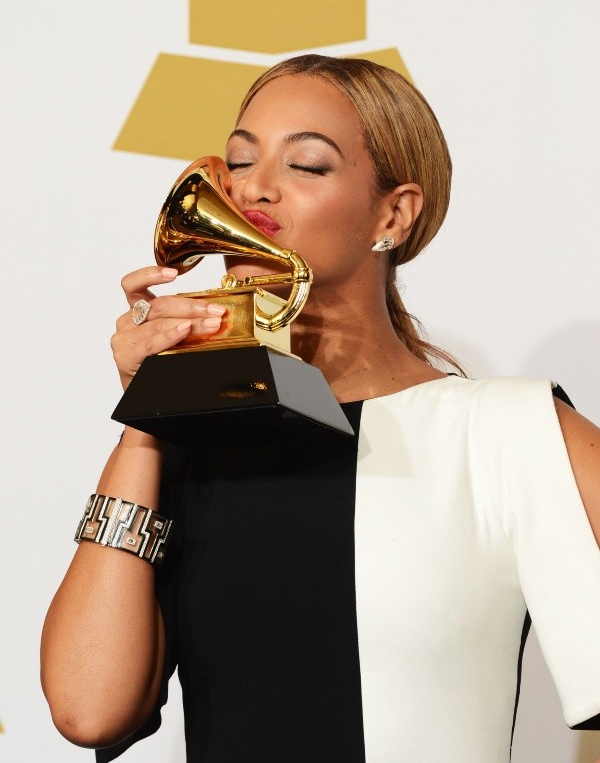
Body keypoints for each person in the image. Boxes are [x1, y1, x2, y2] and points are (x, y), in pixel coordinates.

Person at [41, 54, 600, 763]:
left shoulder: (505, 430)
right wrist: (149, 419)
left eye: (306, 165)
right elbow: (87, 709)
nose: (252, 191)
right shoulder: (186, 450)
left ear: (393, 214)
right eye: (239, 163)